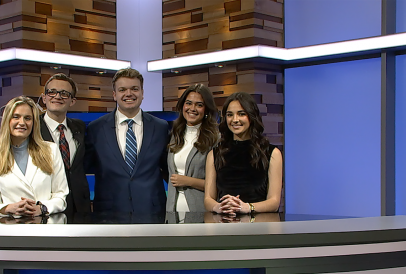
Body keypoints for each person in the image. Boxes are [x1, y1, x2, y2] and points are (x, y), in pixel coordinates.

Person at [85, 68, 169, 214]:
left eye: (134, 89)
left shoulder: (160, 127)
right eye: (122, 89)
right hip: (109, 214)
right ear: (114, 95)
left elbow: (168, 169)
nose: (128, 94)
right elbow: (83, 168)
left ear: (142, 93)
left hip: (152, 212)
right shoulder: (96, 128)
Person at [0, 96, 68, 217]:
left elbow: (61, 196)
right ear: (7, 120)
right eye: (16, 117)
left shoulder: (51, 150)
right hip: (10, 229)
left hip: (44, 227)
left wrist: (41, 208)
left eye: (28, 118)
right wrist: (8, 208)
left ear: (34, 123)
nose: (22, 123)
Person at [204, 92, 283, 215]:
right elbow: (208, 199)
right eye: (230, 115)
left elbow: (274, 202)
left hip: (259, 225)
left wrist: (247, 207)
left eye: (241, 114)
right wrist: (218, 207)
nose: (235, 120)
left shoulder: (272, 153)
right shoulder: (215, 154)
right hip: (224, 225)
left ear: (251, 116)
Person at [39, 73, 91, 214]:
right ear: (44, 98)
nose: (57, 96)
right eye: (52, 92)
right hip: (48, 206)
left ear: (72, 101)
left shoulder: (79, 127)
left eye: (64, 93)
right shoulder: (33, 129)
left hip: (80, 206)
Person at [166, 84, 219, 216]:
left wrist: (188, 181)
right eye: (188, 103)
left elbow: (220, 184)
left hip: (200, 212)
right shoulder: (175, 135)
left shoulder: (215, 139)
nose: (192, 109)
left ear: (206, 109)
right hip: (172, 211)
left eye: (199, 105)